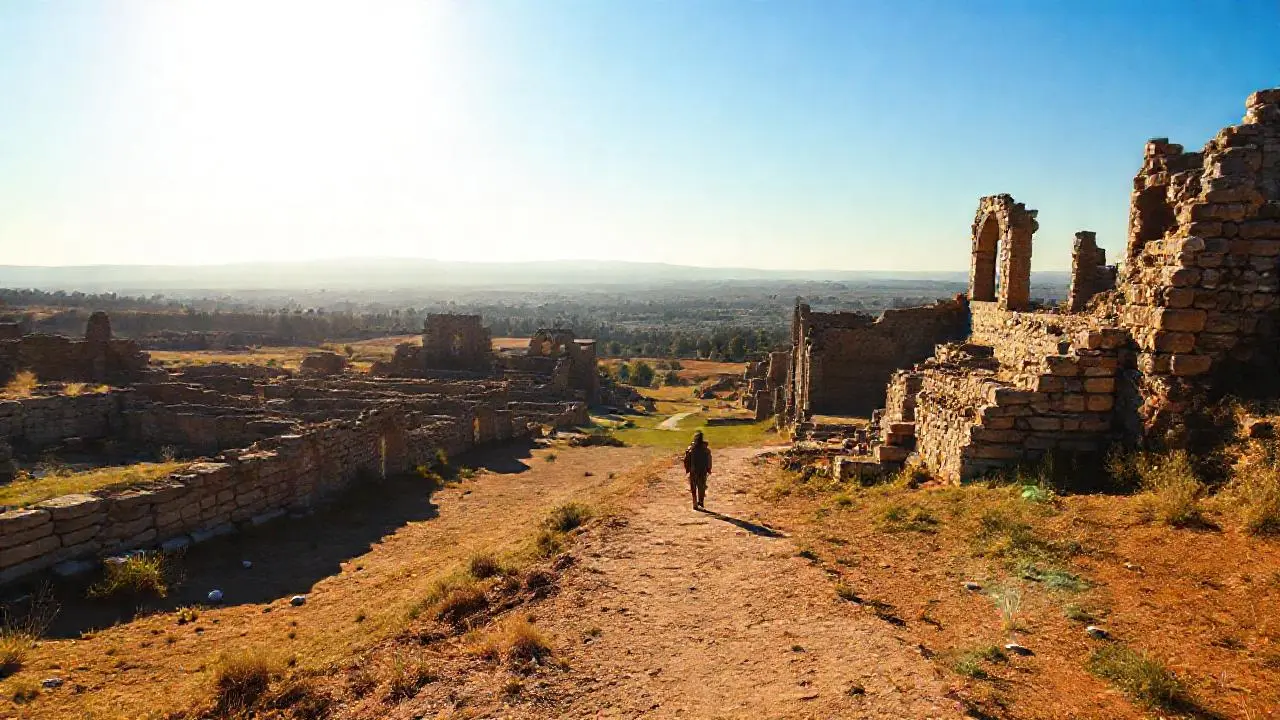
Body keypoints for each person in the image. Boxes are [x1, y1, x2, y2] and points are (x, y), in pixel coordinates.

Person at [683, 430, 713, 511]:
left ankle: (695, 502)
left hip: (693, 470)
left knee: (693, 487)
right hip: (702, 470)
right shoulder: (706, 449)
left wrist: (687, 469)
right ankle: (701, 501)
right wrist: (709, 469)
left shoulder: (690, 449)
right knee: (701, 486)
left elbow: (686, 460)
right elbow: (709, 459)